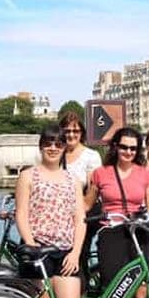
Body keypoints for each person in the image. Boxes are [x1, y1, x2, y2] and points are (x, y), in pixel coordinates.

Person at [14, 126, 89, 298]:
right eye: (48, 143)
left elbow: (80, 218)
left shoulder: (72, 180)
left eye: (58, 143)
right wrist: (31, 244)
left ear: (64, 147)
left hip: (65, 250)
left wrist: (76, 252)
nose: (53, 147)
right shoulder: (28, 176)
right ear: (41, 145)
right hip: (38, 249)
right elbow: (21, 213)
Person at [85, 127, 149, 298]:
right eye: (124, 146)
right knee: (114, 292)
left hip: (139, 234)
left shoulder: (145, 174)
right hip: (111, 235)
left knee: (143, 293)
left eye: (133, 148)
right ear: (115, 147)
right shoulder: (100, 174)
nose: (128, 151)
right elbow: (86, 205)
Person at [59, 111, 102, 279]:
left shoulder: (91, 156)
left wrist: (83, 209)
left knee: (79, 250)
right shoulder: (57, 153)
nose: (71, 135)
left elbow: (94, 187)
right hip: (62, 213)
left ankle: (80, 293)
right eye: (67, 131)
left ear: (81, 133)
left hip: (86, 210)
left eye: (75, 131)